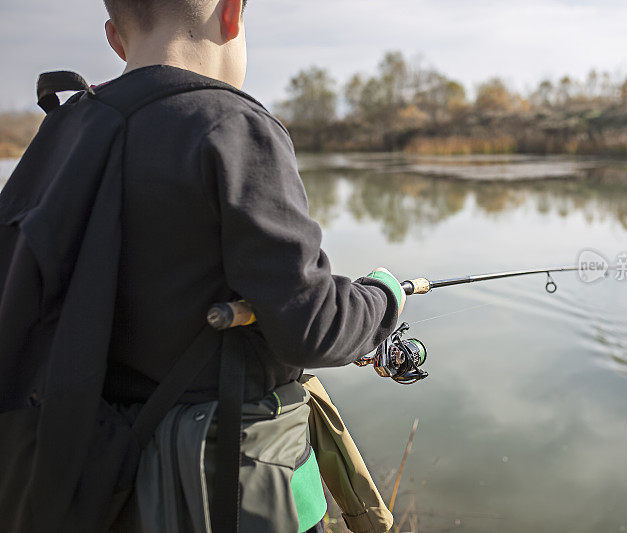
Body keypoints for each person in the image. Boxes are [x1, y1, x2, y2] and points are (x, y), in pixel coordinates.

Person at [4, 0, 405, 531]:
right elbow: (314, 326)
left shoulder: (62, 130)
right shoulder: (233, 126)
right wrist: (382, 299)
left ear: (114, 38)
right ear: (233, 14)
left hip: (85, 484)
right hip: (214, 495)